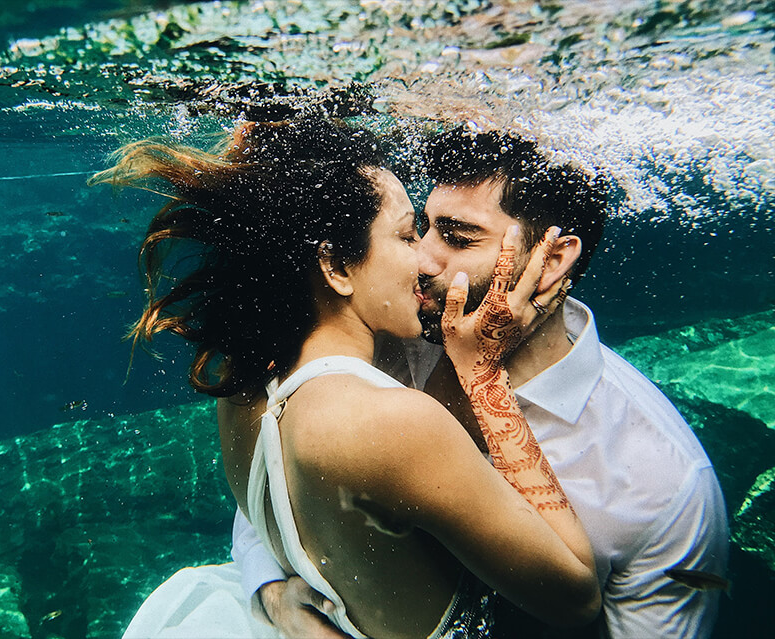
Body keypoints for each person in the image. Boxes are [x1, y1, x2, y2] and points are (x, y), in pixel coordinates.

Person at [98, 117, 601, 638]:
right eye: (407, 235)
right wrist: (482, 374)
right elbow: (578, 598)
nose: (426, 260)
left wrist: (268, 591)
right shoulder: (391, 423)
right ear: (337, 266)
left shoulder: (241, 378)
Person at [233, 127, 730, 638]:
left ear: (552, 260)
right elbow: (286, 475)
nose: (422, 260)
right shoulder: (389, 332)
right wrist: (272, 593)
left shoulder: (666, 485)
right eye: (419, 230)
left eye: (457, 236)